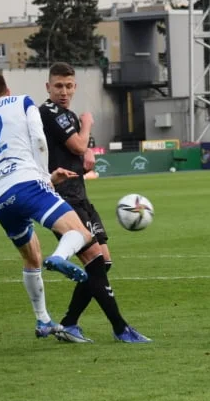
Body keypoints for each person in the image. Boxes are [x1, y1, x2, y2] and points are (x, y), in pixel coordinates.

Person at [0, 72, 95, 339]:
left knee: (31, 258)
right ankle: (60, 257)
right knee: (81, 233)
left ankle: (43, 320)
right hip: (27, 183)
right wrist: (45, 178)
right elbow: (39, 141)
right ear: (7, 89)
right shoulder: (23, 102)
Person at [39, 62, 151, 343]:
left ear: (74, 87)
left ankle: (70, 323)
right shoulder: (50, 112)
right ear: (48, 87)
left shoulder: (66, 115)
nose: (63, 92)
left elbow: (76, 156)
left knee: (104, 262)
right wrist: (87, 124)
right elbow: (78, 146)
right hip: (64, 200)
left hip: (80, 195)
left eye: (68, 86)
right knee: (94, 260)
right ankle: (120, 328)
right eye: (58, 86)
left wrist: (85, 161)